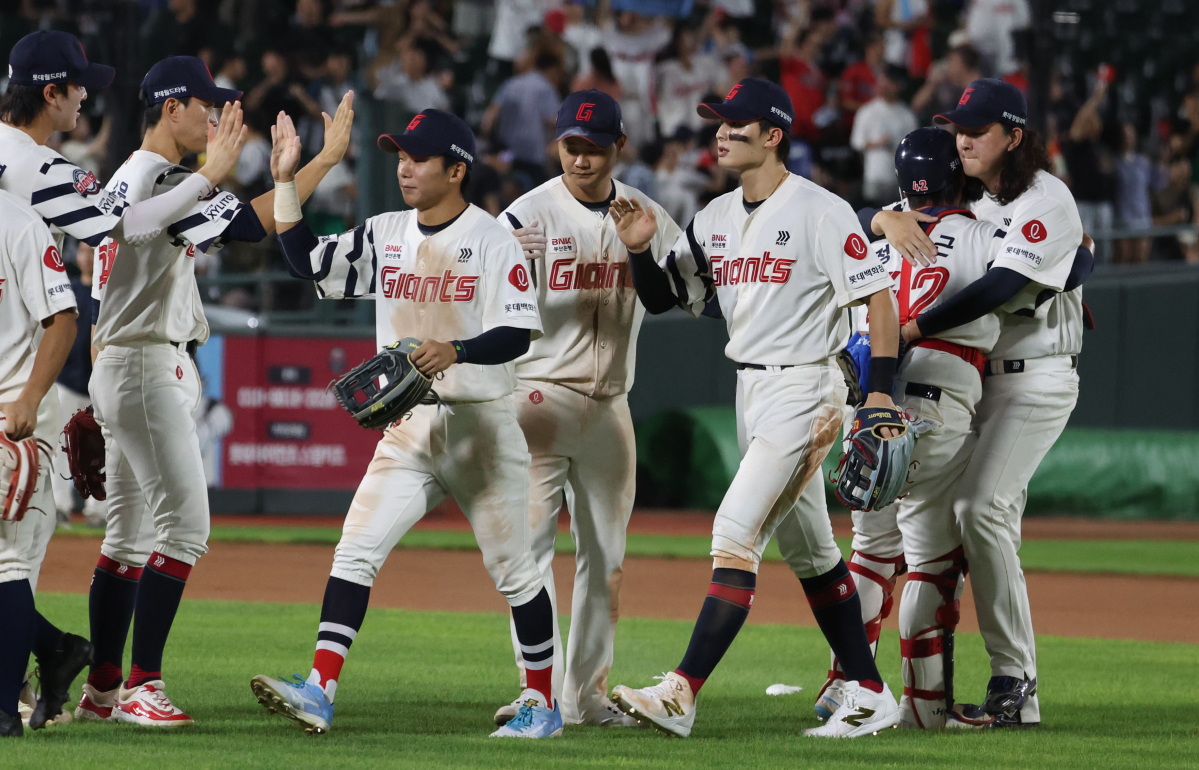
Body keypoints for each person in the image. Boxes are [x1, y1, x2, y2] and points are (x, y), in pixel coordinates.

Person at [249, 108, 562, 739]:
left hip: (481, 426)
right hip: (409, 426)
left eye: (419, 158)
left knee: (515, 570)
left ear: (457, 170)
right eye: (400, 156)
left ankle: (542, 703)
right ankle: (319, 689)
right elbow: (306, 262)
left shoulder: (492, 238)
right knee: (355, 550)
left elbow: (517, 332)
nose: (405, 168)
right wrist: (284, 182)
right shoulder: (385, 232)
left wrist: (458, 350)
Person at [607, 79, 903, 739]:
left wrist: (880, 390)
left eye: (735, 124)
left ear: (773, 135)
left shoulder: (820, 209)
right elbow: (666, 299)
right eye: (717, 122)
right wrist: (639, 250)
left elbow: (877, 300)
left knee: (734, 533)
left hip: (808, 388)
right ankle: (868, 689)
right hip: (752, 390)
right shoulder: (713, 217)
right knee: (811, 552)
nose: (720, 133)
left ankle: (681, 693)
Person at [77, 57, 355, 727]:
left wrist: (297, 172)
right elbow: (254, 226)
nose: (217, 120)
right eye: (207, 107)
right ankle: (143, 685)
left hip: (120, 361)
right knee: (186, 530)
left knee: (126, 539)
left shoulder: (129, 178)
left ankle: (103, 690)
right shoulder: (165, 178)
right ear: (171, 109)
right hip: (145, 365)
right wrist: (321, 162)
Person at [869, 78, 1088, 728]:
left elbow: (998, 287)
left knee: (978, 508)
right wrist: (881, 217)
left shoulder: (1046, 198)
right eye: (958, 128)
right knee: (958, 531)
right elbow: (880, 220)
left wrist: (913, 329)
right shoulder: (965, 193)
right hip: (977, 379)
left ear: (1013, 137)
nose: (962, 139)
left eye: (977, 130)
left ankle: (1014, 681)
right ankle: (948, 695)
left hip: (1034, 377)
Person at [490, 91, 681, 729]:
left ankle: (587, 698)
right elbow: (484, 306)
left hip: (610, 406)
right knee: (529, 554)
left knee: (607, 559)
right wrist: (506, 264)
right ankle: (537, 692)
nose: (581, 158)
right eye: (571, 146)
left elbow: (668, 296)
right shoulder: (525, 213)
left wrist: (642, 251)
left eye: (594, 147)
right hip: (537, 396)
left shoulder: (646, 212)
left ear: (618, 147)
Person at [0, 193, 90, 738]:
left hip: (9, 411)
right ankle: (56, 648)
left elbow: (62, 320)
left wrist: (30, 398)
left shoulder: (18, 223)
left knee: (6, 559)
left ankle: (4, 712)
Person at [0, 31, 127, 250]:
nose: (84, 95)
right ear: (50, 94)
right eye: (79, 85)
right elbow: (131, 228)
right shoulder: (40, 168)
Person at [51, 243, 107, 528]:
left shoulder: (109, 293)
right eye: (84, 251)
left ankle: (97, 509)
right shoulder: (67, 290)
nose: (88, 256)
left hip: (99, 385)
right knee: (60, 446)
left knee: (100, 449)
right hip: (67, 382)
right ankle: (60, 506)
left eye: (93, 251)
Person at [850, 66, 918, 206]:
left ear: (899, 86)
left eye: (889, 83)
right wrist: (878, 144)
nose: (885, 87)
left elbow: (914, 148)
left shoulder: (906, 115)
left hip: (898, 180)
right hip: (874, 176)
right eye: (882, 82)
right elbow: (857, 142)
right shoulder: (867, 111)